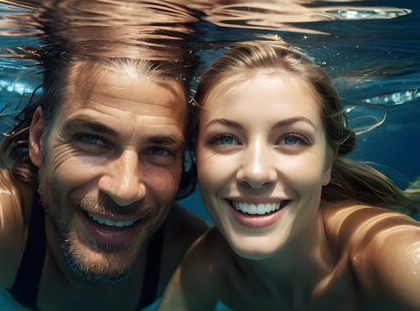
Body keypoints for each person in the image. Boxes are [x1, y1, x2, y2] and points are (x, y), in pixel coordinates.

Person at [158, 41, 420, 311]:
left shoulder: (399, 258)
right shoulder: (210, 265)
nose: (256, 173)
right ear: (195, 155)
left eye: (292, 139)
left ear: (328, 162)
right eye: (226, 139)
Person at [0, 52, 209, 310]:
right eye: (92, 140)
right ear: (39, 137)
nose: (125, 191)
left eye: (159, 150)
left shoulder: (194, 252)